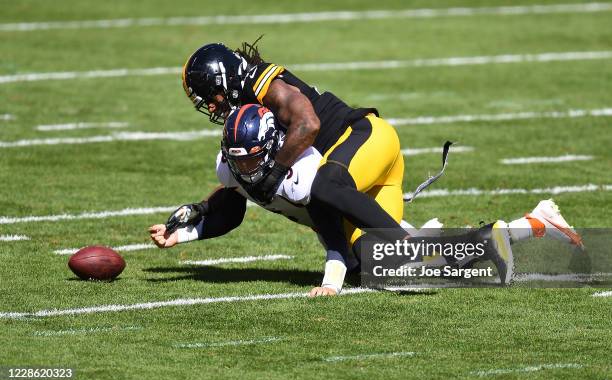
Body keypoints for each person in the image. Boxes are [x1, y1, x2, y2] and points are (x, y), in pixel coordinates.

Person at [149, 105, 583, 295]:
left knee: (403, 269)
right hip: (350, 196)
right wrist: (190, 227)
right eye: (236, 162)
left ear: (272, 144)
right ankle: (526, 225)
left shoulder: (302, 176)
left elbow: (331, 234)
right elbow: (233, 203)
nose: (243, 170)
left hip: (369, 184)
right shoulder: (237, 166)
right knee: (391, 270)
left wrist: (331, 280)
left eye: (250, 161)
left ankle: (524, 224)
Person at [178, 39, 428, 296]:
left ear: (223, 80)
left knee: (323, 186)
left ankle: (406, 243)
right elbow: (236, 192)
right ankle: (452, 251)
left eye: (210, 96)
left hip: (366, 138)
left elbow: (308, 124)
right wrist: (200, 211)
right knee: (368, 263)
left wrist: (275, 172)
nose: (210, 106)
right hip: (351, 175)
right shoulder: (245, 106)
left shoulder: (262, 86)